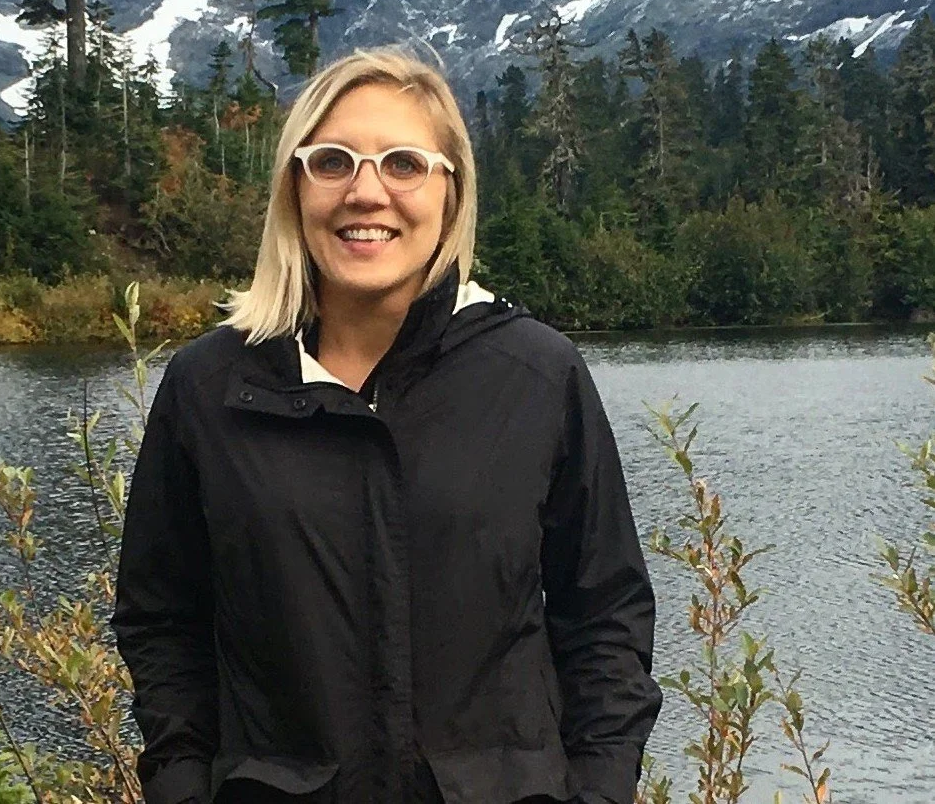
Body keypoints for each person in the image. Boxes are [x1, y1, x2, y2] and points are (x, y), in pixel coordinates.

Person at [111, 47, 662, 804]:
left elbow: (604, 617)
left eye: (404, 164)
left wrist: (599, 790)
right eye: (332, 162)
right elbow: (161, 619)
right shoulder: (209, 388)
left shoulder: (536, 377)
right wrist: (181, 785)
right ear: (294, 188)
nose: (365, 193)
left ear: (450, 192)